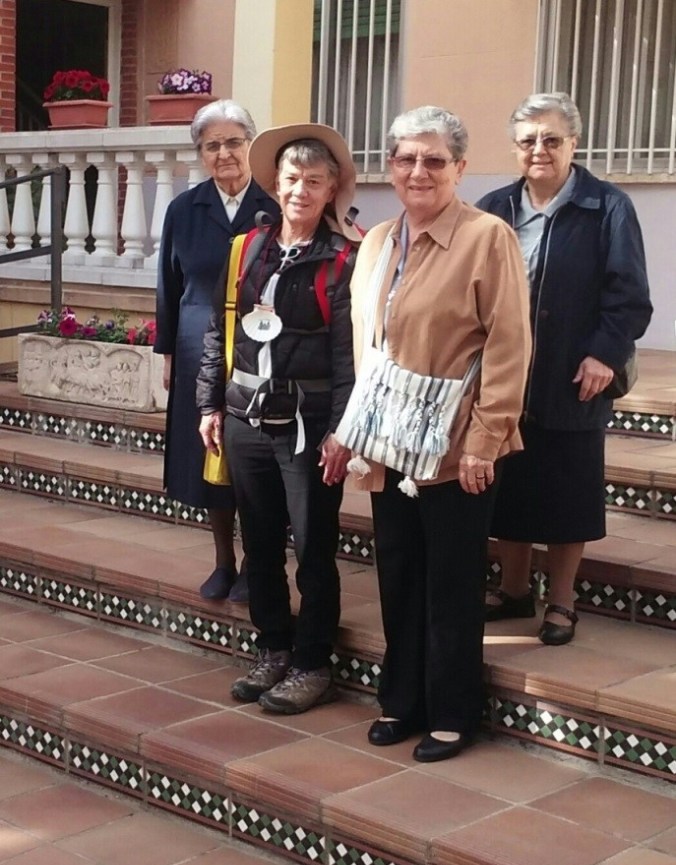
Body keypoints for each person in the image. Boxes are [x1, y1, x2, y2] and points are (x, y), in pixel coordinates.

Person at [343, 106, 531, 761]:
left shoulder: (487, 237)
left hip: (457, 445)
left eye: (432, 159)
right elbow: (365, 346)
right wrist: (351, 432)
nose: (417, 171)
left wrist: (486, 437)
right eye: (405, 158)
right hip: (390, 439)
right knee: (398, 572)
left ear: (458, 167)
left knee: (451, 580)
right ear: (389, 166)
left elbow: (509, 343)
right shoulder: (376, 243)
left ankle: (453, 711)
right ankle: (403, 700)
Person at [196, 123, 361, 714]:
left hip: (308, 424)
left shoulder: (345, 259)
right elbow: (222, 330)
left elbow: (350, 356)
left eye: (314, 182)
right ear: (275, 182)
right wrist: (209, 403)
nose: (300, 191)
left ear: (331, 188)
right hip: (244, 419)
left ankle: (313, 662)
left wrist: (344, 429)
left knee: (314, 548)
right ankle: (273, 649)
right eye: (292, 179)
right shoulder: (247, 249)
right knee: (259, 543)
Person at [477, 92, 652, 646]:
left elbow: (629, 295)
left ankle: (562, 601)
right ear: (515, 148)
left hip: (575, 371)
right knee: (509, 487)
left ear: (574, 144)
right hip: (505, 374)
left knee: (566, 490)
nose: (540, 150)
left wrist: (604, 352)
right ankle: (512, 590)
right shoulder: (494, 207)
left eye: (552, 139)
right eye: (528, 140)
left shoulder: (608, 207)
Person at [154, 99, 279, 603]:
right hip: (196, 350)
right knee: (210, 455)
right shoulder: (185, 209)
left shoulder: (274, 205)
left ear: (250, 144)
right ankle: (223, 561)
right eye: (212, 146)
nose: (224, 153)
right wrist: (167, 354)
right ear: (200, 155)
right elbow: (168, 285)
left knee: (252, 458)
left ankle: (256, 564)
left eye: (233, 142)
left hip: (260, 349)